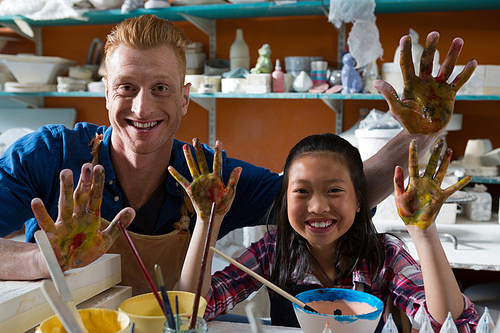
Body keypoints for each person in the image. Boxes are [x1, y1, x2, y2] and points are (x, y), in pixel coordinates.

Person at [0, 13, 477, 295]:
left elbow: (323, 198)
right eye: (126, 87)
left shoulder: (207, 177)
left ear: (185, 99)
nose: (142, 107)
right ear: (105, 93)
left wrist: (414, 135)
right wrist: (40, 261)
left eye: (161, 88)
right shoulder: (50, 156)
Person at [174, 134, 478, 332]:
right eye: (302, 191)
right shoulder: (274, 250)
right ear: (284, 202)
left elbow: (452, 325)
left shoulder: (383, 255)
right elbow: (191, 312)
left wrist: (424, 232)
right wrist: (207, 219)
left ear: (359, 200)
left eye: (334, 190)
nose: (318, 206)